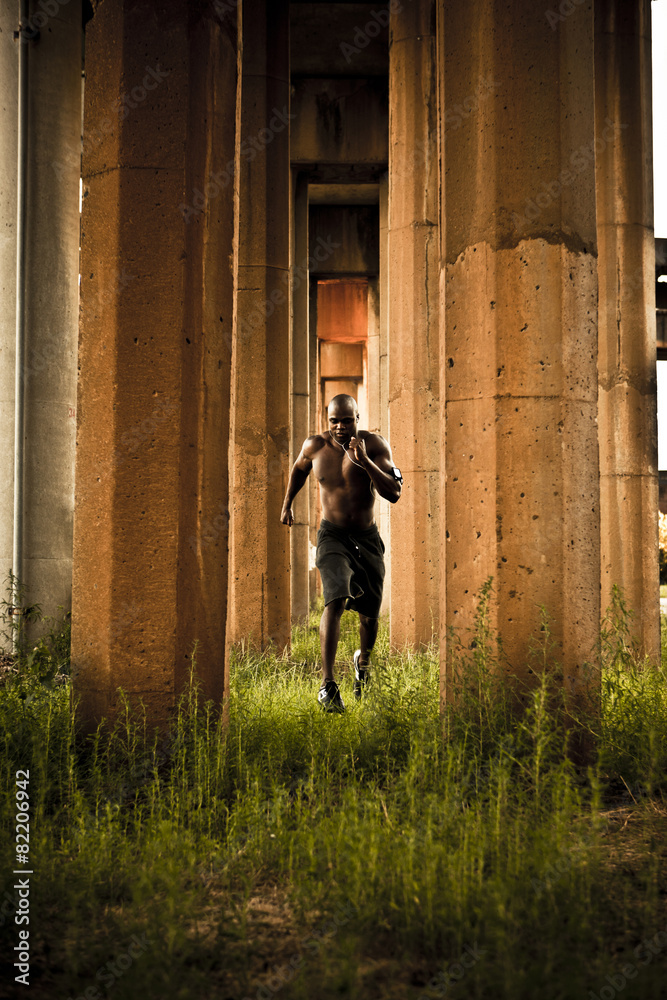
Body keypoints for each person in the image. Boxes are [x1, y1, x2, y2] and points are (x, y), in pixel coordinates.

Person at [280, 394, 402, 712]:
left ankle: (363, 664)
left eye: (346, 420)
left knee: (369, 616)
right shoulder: (315, 446)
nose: (339, 427)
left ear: (357, 419)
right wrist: (287, 503)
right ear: (327, 419)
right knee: (334, 598)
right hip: (332, 535)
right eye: (334, 420)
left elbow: (395, 492)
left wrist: (366, 462)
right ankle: (328, 685)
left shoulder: (374, 445)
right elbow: (298, 469)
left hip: (367, 538)